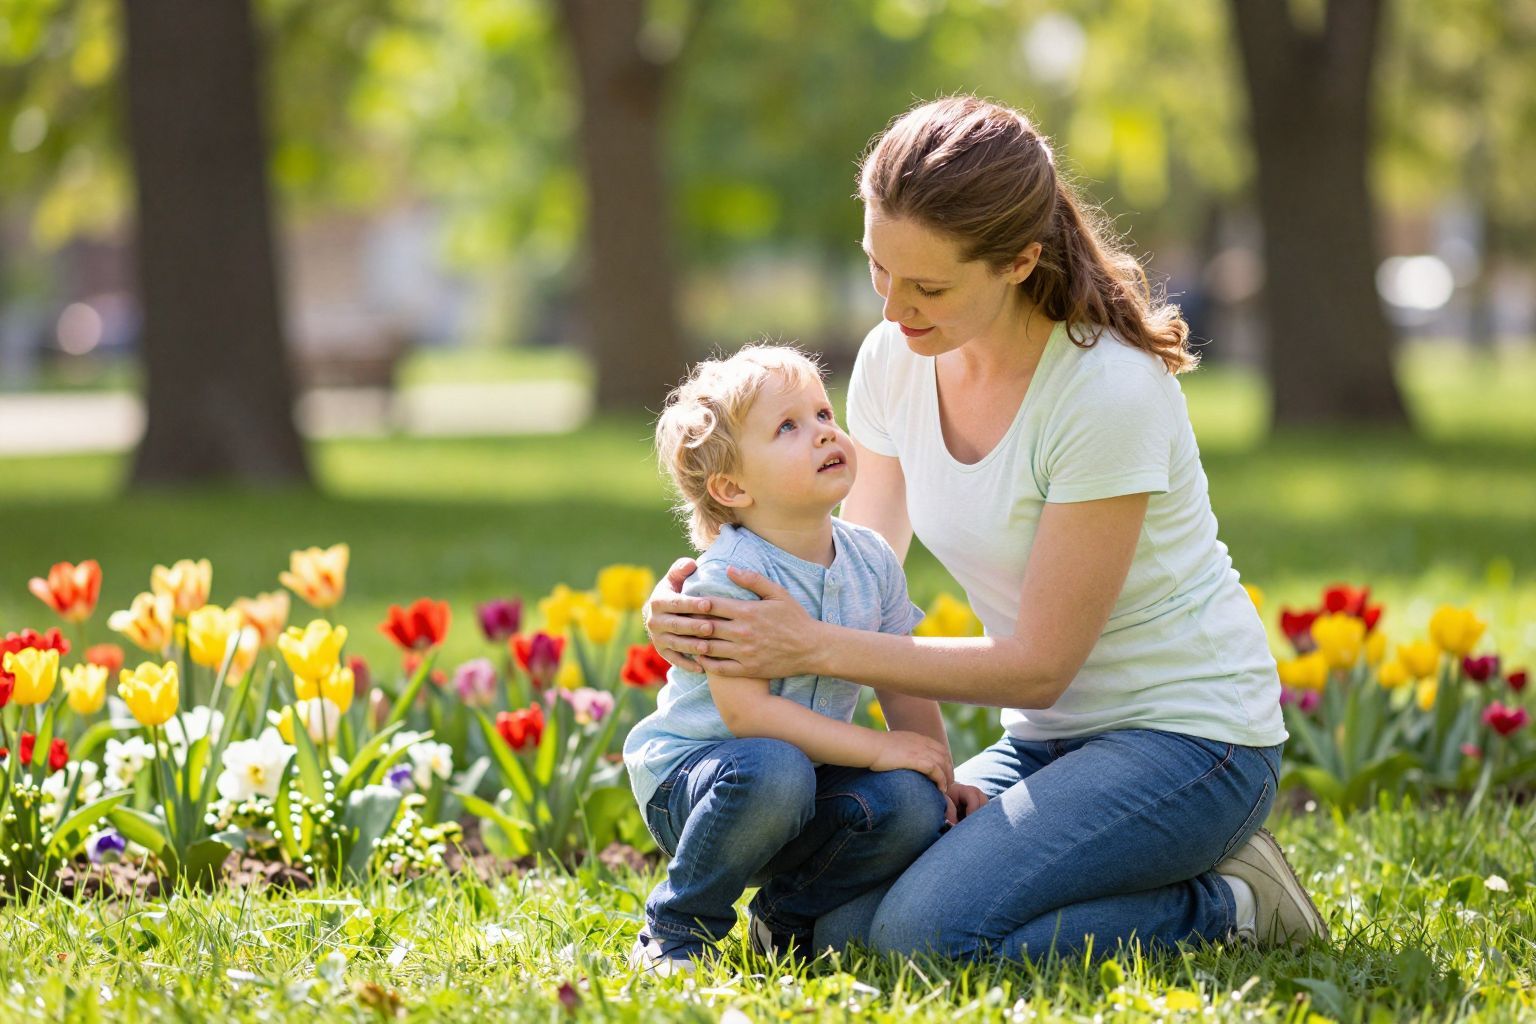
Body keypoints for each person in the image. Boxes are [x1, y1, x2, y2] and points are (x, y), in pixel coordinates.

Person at [643, 96, 1327, 962]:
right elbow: (854, 570)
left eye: (928, 287)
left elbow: (1040, 666)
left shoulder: (1105, 393)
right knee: (845, 934)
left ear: (1019, 262)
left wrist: (805, 645)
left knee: (929, 936)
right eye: (879, 272)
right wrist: (703, 609)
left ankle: (1227, 905)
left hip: (1192, 740)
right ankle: (1117, 875)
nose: (893, 310)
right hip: (1045, 745)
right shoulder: (899, 360)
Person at [623, 344, 984, 975]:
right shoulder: (731, 576)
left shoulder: (871, 560)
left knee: (911, 802)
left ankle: (784, 920)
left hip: (804, 785)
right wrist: (876, 749)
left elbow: (902, 684)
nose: (822, 432)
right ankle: (677, 925)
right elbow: (748, 718)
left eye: (822, 413)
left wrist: (940, 777)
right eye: (788, 426)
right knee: (776, 767)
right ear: (732, 486)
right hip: (706, 785)